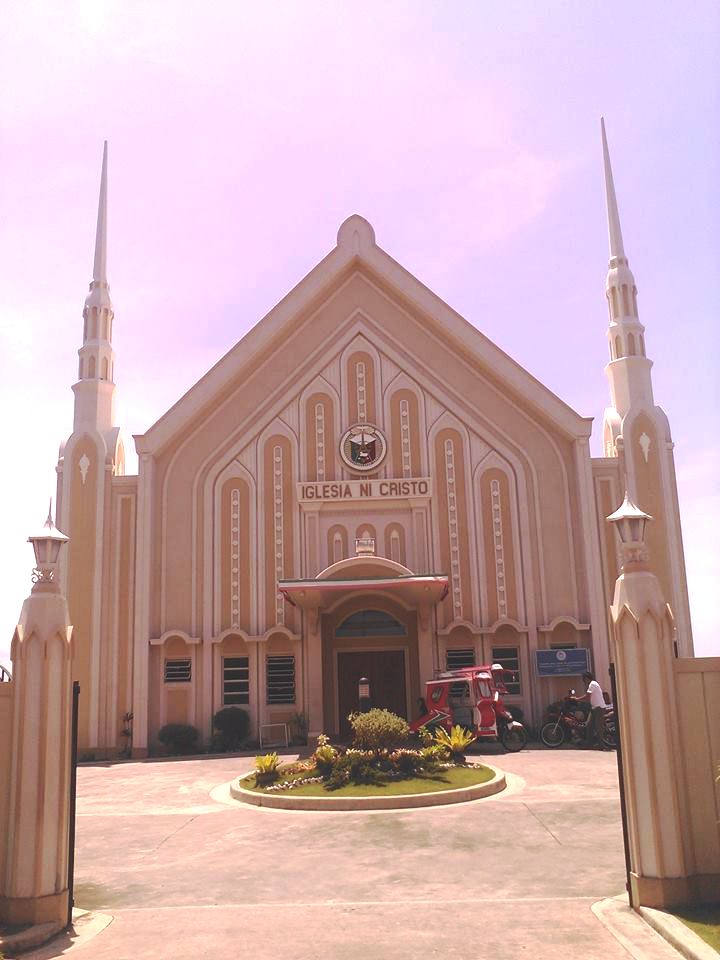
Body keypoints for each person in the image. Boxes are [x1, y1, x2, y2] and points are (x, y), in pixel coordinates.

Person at [571, 671, 608, 749]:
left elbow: (587, 696)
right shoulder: (592, 684)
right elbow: (588, 699)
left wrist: (577, 699)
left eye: (584, 680)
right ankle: (589, 744)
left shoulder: (592, 684)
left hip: (599, 708)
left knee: (598, 727)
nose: (584, 682)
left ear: (587, 678)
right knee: (589, 726)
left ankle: (601, 746)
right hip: (594, 708)